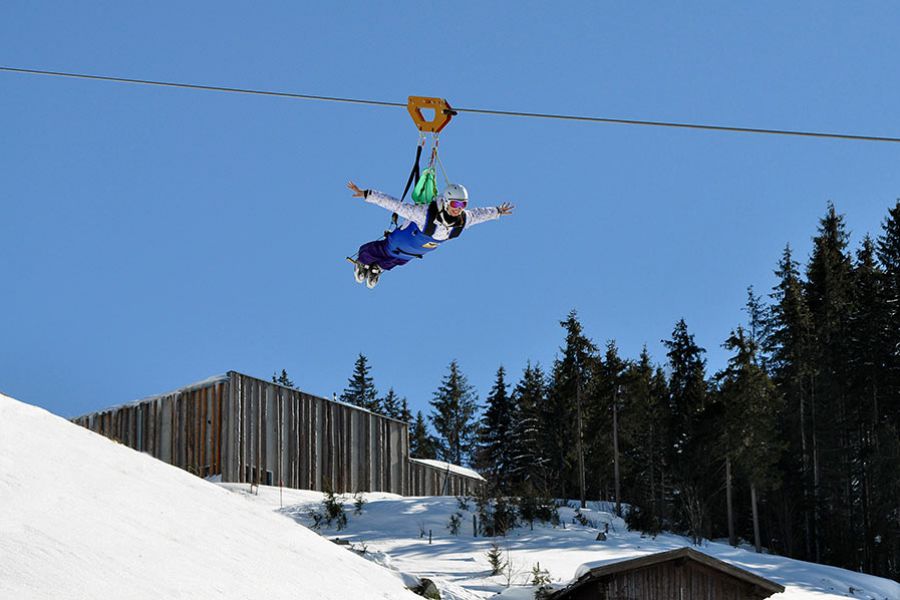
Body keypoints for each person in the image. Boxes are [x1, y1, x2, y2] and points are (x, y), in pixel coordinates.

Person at [347, 180, 514, 287]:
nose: (458, 209)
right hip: (402, 239)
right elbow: (395, 205)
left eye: (462, 205)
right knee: (381, 250)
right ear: (447, 201)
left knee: (399, 260)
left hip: (415, 251)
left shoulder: (463, 220)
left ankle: (378, 268)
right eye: (455, 204)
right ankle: (362, 261)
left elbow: (479, 214)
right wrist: (367, 194)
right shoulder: (426, 214)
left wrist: (497, 211)